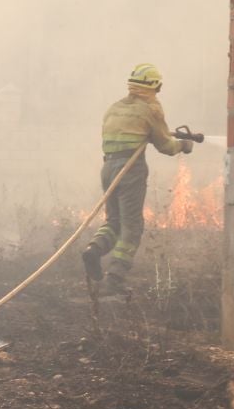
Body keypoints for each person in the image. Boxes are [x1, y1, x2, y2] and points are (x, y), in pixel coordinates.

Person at [81, 62, 193, 295]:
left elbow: (134, 134)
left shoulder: (114, 108)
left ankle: (94, 249)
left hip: (109, 166)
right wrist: (184, 145)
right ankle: (115, 278)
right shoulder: (150, 108)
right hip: (130, 170)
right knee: (132, 226)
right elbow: (165, 145)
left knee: (113, 221)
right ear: (153, 86)